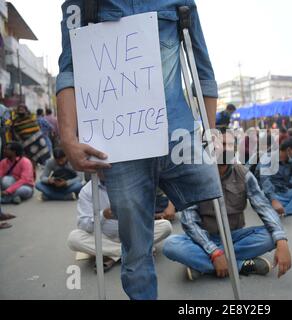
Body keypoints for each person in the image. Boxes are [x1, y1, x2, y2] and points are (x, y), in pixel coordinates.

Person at [57, 0, 222, 300]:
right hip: (118, 148)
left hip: (178, 137)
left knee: (218, 211)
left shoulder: (181, 3)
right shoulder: (80, 5)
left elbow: (202, 68)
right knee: (135, 250)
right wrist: (68, 137)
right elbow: (69, 71)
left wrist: (211, 131)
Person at [163, 130, 292, 280]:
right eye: (222, 144)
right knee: (171, 245)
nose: (227, 148)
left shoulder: (244, 174)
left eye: (231, 144)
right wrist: (214, 252)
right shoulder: (194, 176)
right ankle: (240, 265)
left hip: (234, 237)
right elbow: (190, 222)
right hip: (203, 239)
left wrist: (281, 241)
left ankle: (203, 265)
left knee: (271, 236)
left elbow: (264, 207)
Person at [67, 179, 173, 272]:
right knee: (73, 239)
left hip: (132, 234)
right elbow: (84, 225)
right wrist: (103, 215)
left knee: (165, 226)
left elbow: (144, 212)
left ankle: (113, 255)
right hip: (104, 237)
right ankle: (135, 253)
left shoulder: (130, 182)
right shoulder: (87, 191)